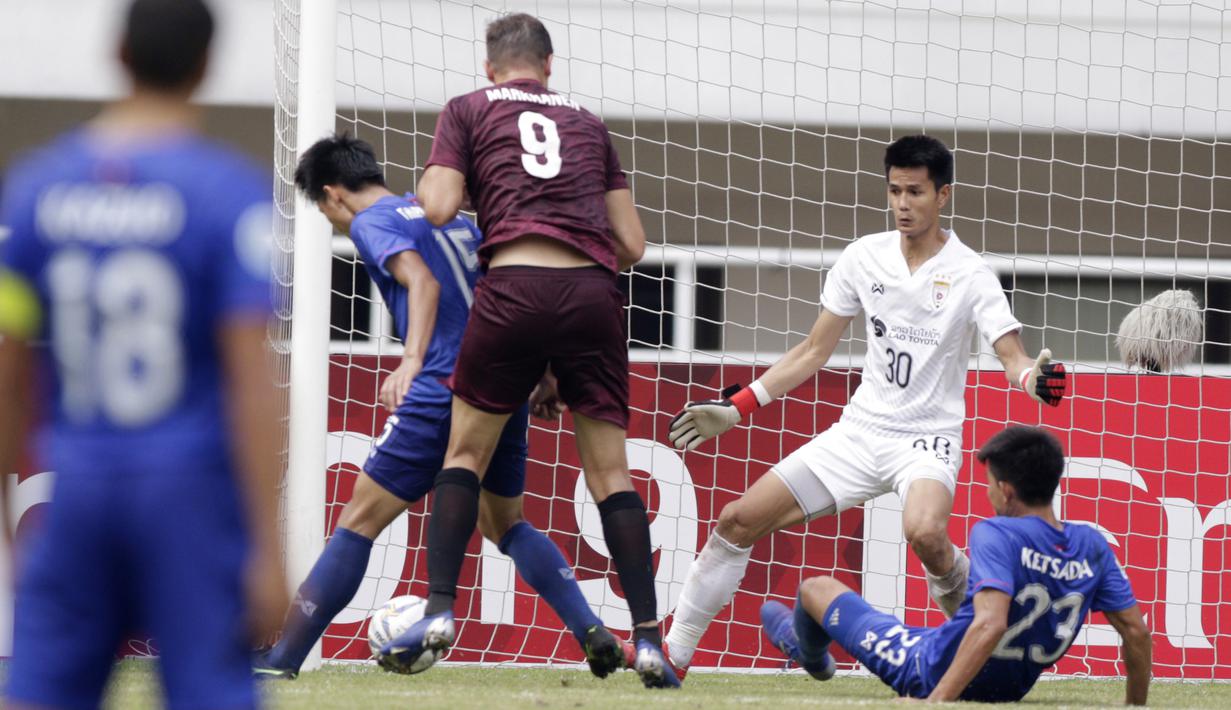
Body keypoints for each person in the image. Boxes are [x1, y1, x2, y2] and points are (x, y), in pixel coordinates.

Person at [663, 134, 1068, 675]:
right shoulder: (863, 257)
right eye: (895, 191)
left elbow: (1012, 356)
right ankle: (673, 656)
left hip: (926, 440)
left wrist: (1032, 379)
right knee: (737, 519)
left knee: (926, 535)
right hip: (858, 433)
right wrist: (738, 406)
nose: (903, 204)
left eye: (915, 192)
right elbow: (814, 350)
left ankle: (987, 655)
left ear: (943, 195)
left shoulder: (971, 274)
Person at [0, 1, 288, 707]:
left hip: (77, 487)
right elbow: (252, 381)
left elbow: (8, 373)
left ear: (119, 53)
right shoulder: (227, 193)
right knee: (210, 691)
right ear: (206, 66)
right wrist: (268, 549)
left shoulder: (35, 190)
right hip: (186, 492)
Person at [254, 133, 625, 679]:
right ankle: (589, 628)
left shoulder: (373, 221)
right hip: (502, 388)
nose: (333, 222)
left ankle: (282, 659)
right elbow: (514, 292)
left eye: (325, 213)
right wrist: (546, 372)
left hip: (442, 385)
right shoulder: (451, 219)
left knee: (359, 520)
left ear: (332, 194)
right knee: (506, 523)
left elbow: (422, 283)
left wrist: (410, 361)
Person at [381, 13, 677, 688]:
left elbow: (437, 206)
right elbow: (632, 245)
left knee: (463, 456)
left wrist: (460, 180)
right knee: (611, 474)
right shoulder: (588, 124)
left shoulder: (468, 109)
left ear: (490, 68)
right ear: (549, 65)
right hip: (592, 297)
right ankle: (648, 641)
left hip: (514, 287)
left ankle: (439, 611)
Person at [760, 426, 1152, 704]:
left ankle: (810, 656)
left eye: (989, 483)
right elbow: (1136, 631)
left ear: (1006, 491)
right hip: (1011, 688)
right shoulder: (1091, 544)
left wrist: (935, 701)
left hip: (927, 669)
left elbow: (990, 623)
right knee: (935, 630)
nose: (988, 492)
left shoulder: (997, 533)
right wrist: (1135, 707)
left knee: (815, 589)